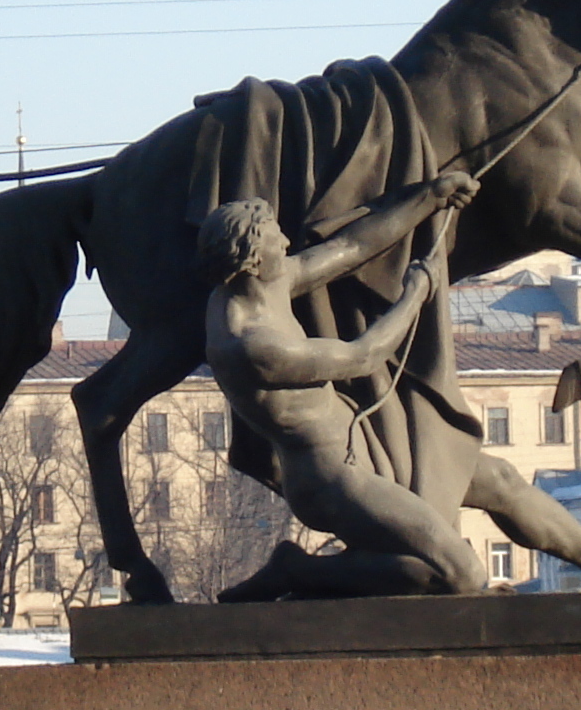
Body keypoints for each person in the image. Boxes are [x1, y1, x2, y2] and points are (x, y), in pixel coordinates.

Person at [202, 172, 487, 600]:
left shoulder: (262, 284)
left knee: (433, 557)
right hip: (331, 480)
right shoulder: (250, 343)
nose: (285, 245)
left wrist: (430, 198)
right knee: (462, 577)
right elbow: (363, 356)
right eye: (275, 239)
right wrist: (415, 293)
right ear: (252, 261)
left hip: (361, 449)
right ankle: (297, 571)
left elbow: (350, 249)